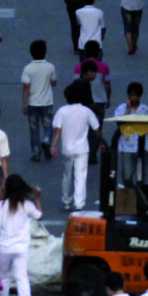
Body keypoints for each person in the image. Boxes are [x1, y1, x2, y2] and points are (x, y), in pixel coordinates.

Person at [0, 178, 42, 296]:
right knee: (22, 278)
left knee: (3, 277)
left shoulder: (0, 206)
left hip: (3, 247)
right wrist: (37, 199)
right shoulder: (27, 205)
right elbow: (40, 216)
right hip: (21, 247)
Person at [52, 81, 102, 209]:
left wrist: (53, 145)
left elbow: (58, 129)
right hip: (82, 149)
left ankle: (66, 200)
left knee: (67, 174)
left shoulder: (62, 111)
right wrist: (101, 142)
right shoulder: (86, 111)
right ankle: (79, 203)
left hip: (67, 149)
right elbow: (96, 129)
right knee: (80, 175)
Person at [20, 41, 60, 161]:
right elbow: (53, 83)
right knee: (48, 125)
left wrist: (24, 104)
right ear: (45, 52)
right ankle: (47, 140)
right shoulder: (50, 67)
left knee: (34, 128)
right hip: (47, 102)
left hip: (33, 103)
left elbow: (26, 88)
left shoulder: (28, 69)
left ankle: (36, 153)